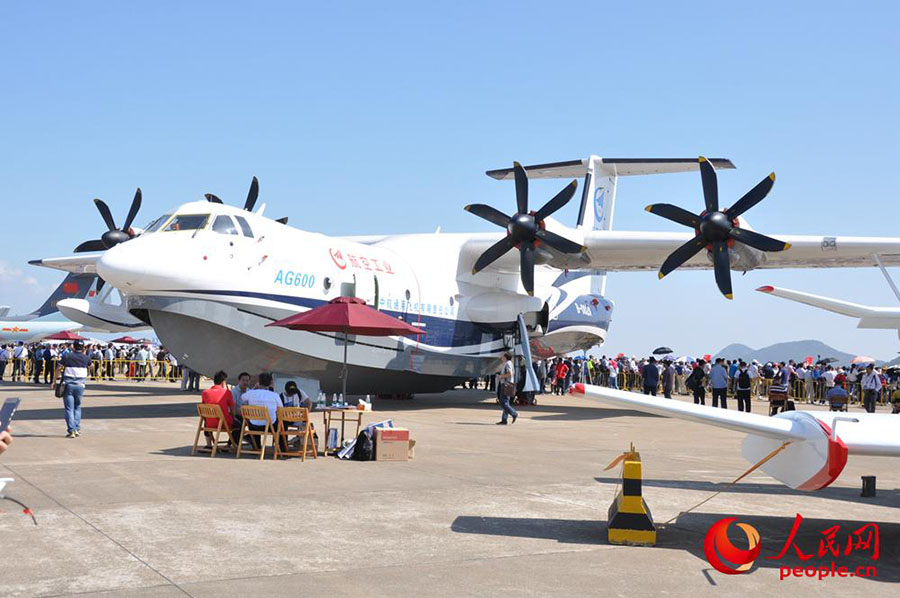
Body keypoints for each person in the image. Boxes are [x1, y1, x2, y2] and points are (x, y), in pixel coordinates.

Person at [54, 340, 91, 438]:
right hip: (80, 385)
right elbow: (91, 367)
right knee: (77, 407)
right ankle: (77, 429)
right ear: (83, 348)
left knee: (69, 408)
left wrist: (54, 381)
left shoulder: (67, 356)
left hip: (68, 385)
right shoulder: (86, 358)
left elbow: (58, 368)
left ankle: (71, 430)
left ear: (73, 347)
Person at [242, 372, 284, 448]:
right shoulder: (274, 395)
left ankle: (256, 445)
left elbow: (243, 398)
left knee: (254, 418)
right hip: (270, 426)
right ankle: (282, 447)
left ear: (258, 382)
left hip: (254, 425)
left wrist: (255, 388)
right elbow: (281, 409)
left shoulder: (250, 393)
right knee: (280, 422)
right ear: (271, 382)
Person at [201, 370, 237, 446]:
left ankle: (209, 445)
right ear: (223, 382)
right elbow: (232, 408)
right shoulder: (227, 392)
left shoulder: (205, 393)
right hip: (224, 423)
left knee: (207, 420)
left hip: (210, 423)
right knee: (239, 425)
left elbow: (203, 407)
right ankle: (229, 444)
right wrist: (234, 417)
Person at [496, 352, 517, 425]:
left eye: (503, 356)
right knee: (506, 402)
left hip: (506, 385)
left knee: (503, 402)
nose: (501, 358)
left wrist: (501, 376)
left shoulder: (507, 364)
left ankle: (514, 413)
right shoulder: (510, 363)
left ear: (505, 357)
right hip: (508, 384)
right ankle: (504, 419)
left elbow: (509, 373)